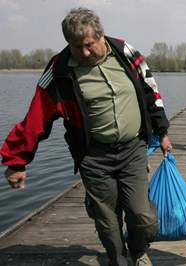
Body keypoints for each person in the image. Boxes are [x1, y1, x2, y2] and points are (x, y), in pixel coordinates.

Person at [0, 7, 172, 266]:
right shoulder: (60, 69)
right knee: (108, 224)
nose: (84, 53)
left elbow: (151, 90)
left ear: (101, 35)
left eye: (89, 45)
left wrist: (162, 131)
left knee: (143, 217)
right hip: (94, 158)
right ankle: (118, 260)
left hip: (133, 150)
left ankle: (138, 250)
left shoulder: (126, 52)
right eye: (76, 46)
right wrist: (16, 160)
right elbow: (37, 115)